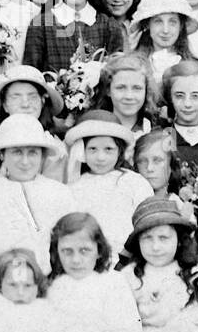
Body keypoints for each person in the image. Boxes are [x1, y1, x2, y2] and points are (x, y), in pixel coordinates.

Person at [0, 114, 76, 272]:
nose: (25, 162)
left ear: (42, 155)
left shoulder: (60, 193)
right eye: (17, 152)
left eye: (32, 153)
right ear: (2, 154)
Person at [119, 198, 195, 332]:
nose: (155, 246)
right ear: (138, 242)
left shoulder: (192, 274)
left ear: (178, 239)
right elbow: (123, 322)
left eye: (164, 238)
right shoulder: (130, 277)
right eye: (147, 239)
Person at [63, 110, 155, 256]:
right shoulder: (74, 188)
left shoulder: (134, 183)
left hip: (128, 259)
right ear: (82, 151)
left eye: (108, 149)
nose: (101, 157)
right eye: (93, 149)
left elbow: (148, 223)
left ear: (119, 151)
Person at [129, 0, 198, 85]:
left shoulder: (194, 66)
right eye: (158, 21)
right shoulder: (134, 64)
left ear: (181, 26)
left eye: (172, 22)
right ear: (147, 25)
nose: (165, 30)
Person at [93, 51, 159, 138]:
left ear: (146, 91)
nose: (129, 96)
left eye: (137, 88)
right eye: (121, 88)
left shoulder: (155, 130)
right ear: (108, 90)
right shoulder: (95, 129)